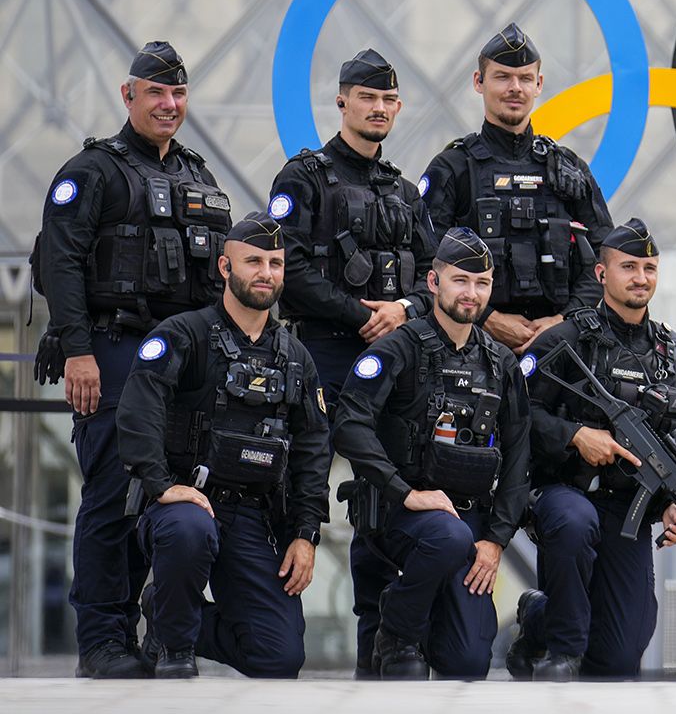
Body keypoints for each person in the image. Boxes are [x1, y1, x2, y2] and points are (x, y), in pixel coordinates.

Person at [32, 41, 232, 678]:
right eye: (156, 93)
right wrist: (79, 352)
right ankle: (101, 641)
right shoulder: (92, 171)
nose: (169, 105)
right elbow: (58, 263)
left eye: (178, 94)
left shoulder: (197, 177)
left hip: (179, 367)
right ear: (129, 96)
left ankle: (149, 635)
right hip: (114, 352)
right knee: (111, 498)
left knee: (162, 496)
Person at [266, 47, 435, 677]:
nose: (381, 109)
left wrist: (405, 309)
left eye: (390, 100)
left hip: (389, 361)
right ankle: (274, 628)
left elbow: (437, 274)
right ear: (342, 101)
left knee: (382, 495)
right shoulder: (304, 178)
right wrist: (360, 315)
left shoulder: (403, 190)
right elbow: (289, 268)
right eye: (369, 98)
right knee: (295, 485)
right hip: (321, 355)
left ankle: (381, 642)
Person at [115, 214, 328, 678]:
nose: (266, 273)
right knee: (188, 529)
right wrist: (160, 485)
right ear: (224, 268)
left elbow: (313, 448)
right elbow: (138, 409)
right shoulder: (183, 334)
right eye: (253, 261)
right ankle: (173, 650)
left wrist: (305, 533)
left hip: (253, 515)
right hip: (186, 506)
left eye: (275, 263)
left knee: (279, 659)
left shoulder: (295, 356)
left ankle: (165, 611)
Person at [506, 218, 676, 680]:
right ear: (602, 275)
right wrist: (574, 436)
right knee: (574, 523)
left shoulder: (674, 356)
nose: (640, 278)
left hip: (629, 509)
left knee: (619, 661)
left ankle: (540, 617)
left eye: (649, 268)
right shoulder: (565, 340)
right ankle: (562, 650)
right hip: (564, 492)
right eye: (628, 267)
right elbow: (517, 414)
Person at [331, 227, 531, 679]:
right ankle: (397, 633)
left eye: (481, 284)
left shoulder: (501, 363)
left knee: (467, 664)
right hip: (399, 513)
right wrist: (404, 492)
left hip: (469, 523)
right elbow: (349, 425)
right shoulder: (397, 348)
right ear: (434, 282)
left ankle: (411, 626)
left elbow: (519, 456)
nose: (471, 293)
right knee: (447, 537)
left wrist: (496, 540)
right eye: (460, 280)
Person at [419, 23, 612, 354]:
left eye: (524, 79)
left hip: (563, 349)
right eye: (502, 77)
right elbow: (424, 259)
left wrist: (564, 320)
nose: (515, 88)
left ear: (538, 85)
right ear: (479, 82)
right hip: (471, 348)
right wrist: (487, 317)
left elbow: (606, 259)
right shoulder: (452, 167)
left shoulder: (568, 169)